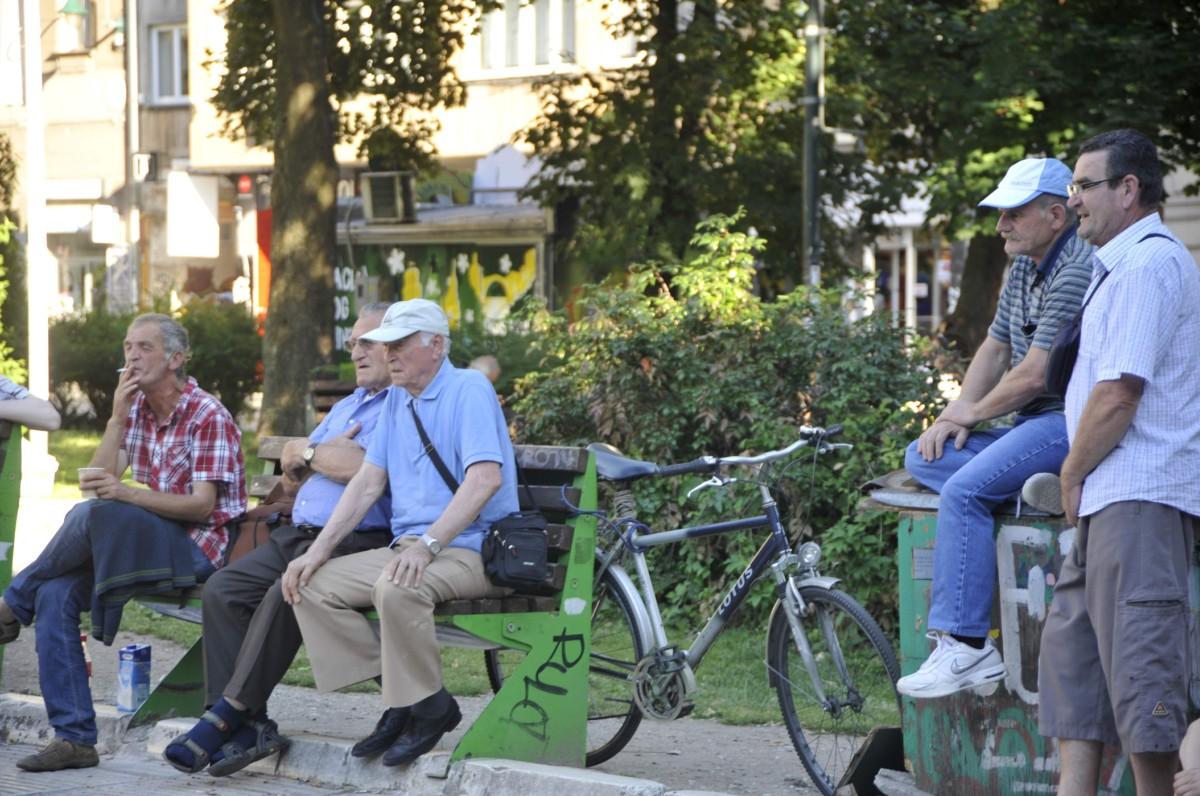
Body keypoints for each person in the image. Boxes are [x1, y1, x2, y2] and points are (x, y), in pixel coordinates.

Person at [0, 313, 246, 772]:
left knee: (92, 515)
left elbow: (201, 507)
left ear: (176, 359)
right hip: (146, 544)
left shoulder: (206, 414)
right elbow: (98, 481)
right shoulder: (133, 411)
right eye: (128, 347)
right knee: (55, 592)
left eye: (144, 347)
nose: (132, 356)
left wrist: (127, 494)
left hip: (197, 548)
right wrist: (115, 418)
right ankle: (75, 739)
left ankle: (11, 604)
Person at [281, 298, 516, 767]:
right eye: (385, 344)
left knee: (397, 586)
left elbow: (484, 481)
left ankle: (412, 705)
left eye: (400, 343)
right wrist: (317, 553)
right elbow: (368, 482)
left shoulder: (468, 389)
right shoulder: (396, 401)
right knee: (309, 586)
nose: (389, 354)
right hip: (409, 549)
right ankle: (417, 701)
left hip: (473, 548)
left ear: (436, 345)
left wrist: (429, 546)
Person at [162, 302, 395, 776]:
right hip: (297, 533)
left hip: (357, 539)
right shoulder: (348, 407)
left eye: (367, 342)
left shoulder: (402, 405)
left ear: (398, 344)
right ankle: (247, 726)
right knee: (225, 590)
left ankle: (225, 717)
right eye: (353, 344)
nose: (357, 353)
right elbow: (291, 476)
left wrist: (312, 453)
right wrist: (313, 456)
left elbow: (362, 469)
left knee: (283, 592)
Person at [1038, 129, 1200, 796]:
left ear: (1128, 189)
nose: (1073, 200)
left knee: (1143, 687)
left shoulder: (1148, 266)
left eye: (1084, 185)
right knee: (1075, 678)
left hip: (1137, 498)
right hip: (1107, 500)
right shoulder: (1117, 267)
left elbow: (1119, 392)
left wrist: (1071, 472)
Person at [897, 157, 1094, 699]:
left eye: (1014, 213)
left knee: (962, 492)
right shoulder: (1024, 267)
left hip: (1068, 422)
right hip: (1032, 425)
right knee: (923, 455)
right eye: (1000, 213)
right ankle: (1030, 494)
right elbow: (996, 348)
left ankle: (966, 646)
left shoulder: (1076, 265)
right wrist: (950, 414)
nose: (1001, 224)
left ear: (1057, 215)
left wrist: (971, 413)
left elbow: (1033, 375)